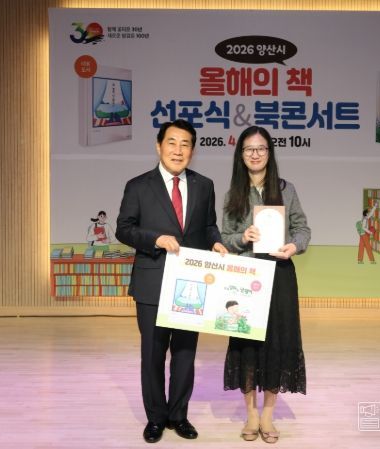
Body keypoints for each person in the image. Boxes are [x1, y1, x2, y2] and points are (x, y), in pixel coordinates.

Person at [115, 119, 228, 443]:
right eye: (172, 143)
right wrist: (155, 239)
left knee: (185, 353)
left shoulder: (204, 185)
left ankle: (178, 415)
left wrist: (216, 242)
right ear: (159, 146)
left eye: (185, 144)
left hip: (191, 284)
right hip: (152, 282)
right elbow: (124, 228)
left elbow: (208, 225)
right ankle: (155, 418)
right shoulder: (138, 186)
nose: (178, 150)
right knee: (152, 354)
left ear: (192, 150)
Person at [221, 126, 311, 443]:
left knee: (278, 343)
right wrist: (242, 237)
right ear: (241, 155)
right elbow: (225, 238)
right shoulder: (233, 194)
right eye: (249, 149)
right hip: (246, 276)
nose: (255, 154)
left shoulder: (287, 189)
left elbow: (303, 229)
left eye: (261, 148)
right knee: (246, 343)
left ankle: (268, 415)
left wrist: (294, 246)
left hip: (280, 274)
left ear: (269, 153)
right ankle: (251, 414)